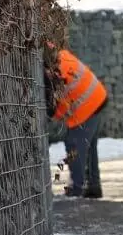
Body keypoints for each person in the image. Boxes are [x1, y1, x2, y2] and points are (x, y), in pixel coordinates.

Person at [46, 46, 109, 198]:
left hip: (86, 107)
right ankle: (93, 186)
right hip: (97, 97)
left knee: (74, 145)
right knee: (89, 147)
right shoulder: (59, 54)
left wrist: (50, 113)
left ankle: (77, 189)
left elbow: (54, 106)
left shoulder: (52, 72)